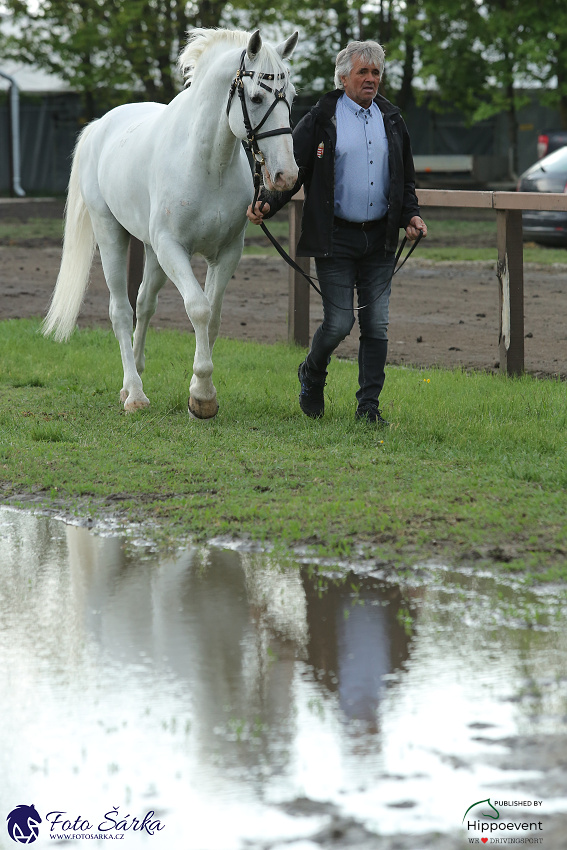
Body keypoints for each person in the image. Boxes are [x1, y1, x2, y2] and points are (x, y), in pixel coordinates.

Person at [247, 40, 427, 424]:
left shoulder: (391, 118)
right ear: (343, 77)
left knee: (376, 325)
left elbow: (405, 180)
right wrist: (266, 202)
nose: (371, 79)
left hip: (379, 239)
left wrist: (411, 216)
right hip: (335, 238)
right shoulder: (320, 117)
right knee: (340, 322)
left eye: (376, 72)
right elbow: (294, 172)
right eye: (363, 72)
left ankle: (368, 409)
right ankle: (312, 374)